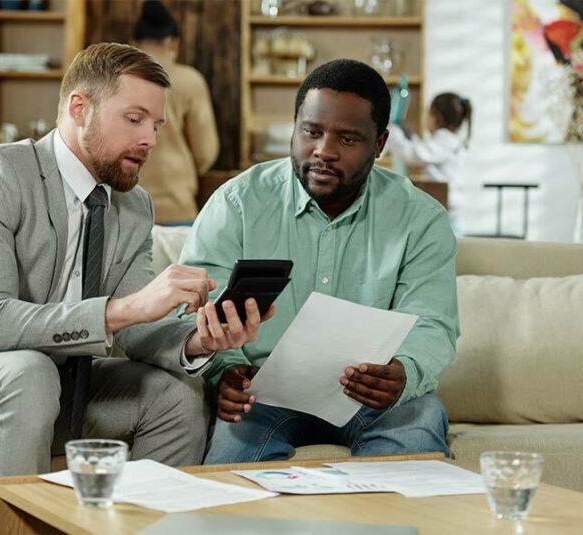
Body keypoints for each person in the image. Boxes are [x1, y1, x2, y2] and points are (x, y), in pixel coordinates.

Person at [0, 43, 270, 534]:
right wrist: (125, 307)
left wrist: (199, 341)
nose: (150, 138)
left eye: (157, 125)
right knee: (25, 372)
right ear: (79, 107)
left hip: (56, 388)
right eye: (135, 119)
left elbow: (132, 333)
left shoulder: (133, 206)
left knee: (176, 394)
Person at [179, 59, 459, 464]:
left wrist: (404, 372)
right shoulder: (237, 203)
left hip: (369, 396)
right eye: (311, 132)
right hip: (262, 393)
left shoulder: (420, 218)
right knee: (232, 471)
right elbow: (194, 306)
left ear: (379, 145)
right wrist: (227, 370)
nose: (324, 151)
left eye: (347, 139)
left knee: (421, 419)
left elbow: (434, 322)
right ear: (295, 126)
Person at [132, 0, 219, 225]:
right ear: (173, 42)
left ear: (133, 43)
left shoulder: (114, 79)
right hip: (176, 205)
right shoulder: (189, 80)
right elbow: (206, 152)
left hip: (124, 208)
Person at [384, 92, 472, 234]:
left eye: (428, 113)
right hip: (447, 211)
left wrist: (393, 132)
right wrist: (411, 137)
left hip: (446, 214)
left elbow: (414, 155)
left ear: (437, 118)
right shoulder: (447, 140)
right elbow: (424, 151)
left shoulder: (445, 140)